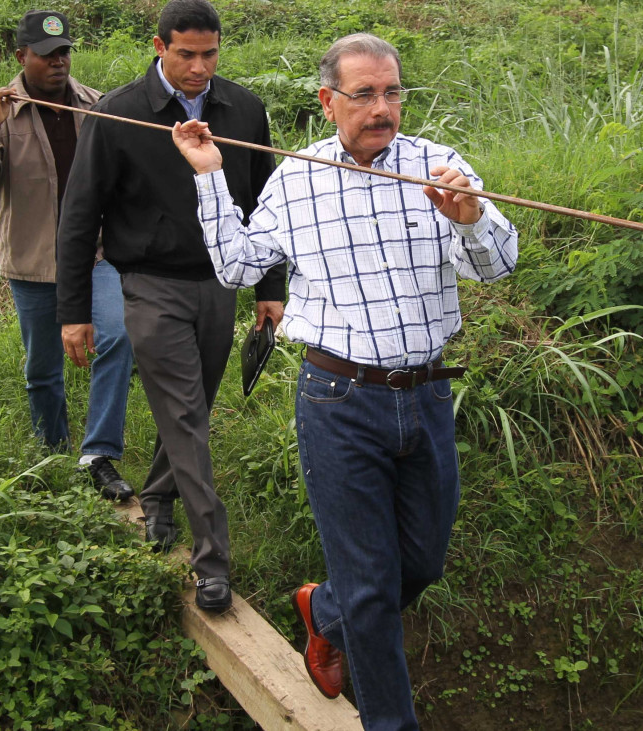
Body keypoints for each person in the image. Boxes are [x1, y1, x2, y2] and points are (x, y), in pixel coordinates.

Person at [171, 32, 518, 730]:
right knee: (370, 588)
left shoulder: (439, 167)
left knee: (421, 562)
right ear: (329, 102)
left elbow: (498, 266)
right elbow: (239, 268)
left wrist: (473, 218)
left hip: (426, 393)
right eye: (364, 95)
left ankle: (322, 608)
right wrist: (209, 173)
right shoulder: (296, 178)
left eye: (391, 92)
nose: (381, 107)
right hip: (338, 401)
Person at [55, 0, 285, 613]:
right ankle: (213, 559)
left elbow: (267, 204)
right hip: (150, 284)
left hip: (221, 283)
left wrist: (269, 288)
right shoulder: (119, 115)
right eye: (186, 53)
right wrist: (72, 309)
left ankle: (157, 497)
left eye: (210, 53)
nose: (199, 66)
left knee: (193, 406)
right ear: (159, 47)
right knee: (187, 417)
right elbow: (79, 216)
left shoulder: (243, 109)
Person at [0, 11, 136, 501]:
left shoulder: (97, 106)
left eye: (64, 53)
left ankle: (98, 455)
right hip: (33, 262)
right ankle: (51, 452)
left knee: (117, 336)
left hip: (96, 256)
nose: (59, 62)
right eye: (47, 54)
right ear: (21, 56)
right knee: (43, 366)